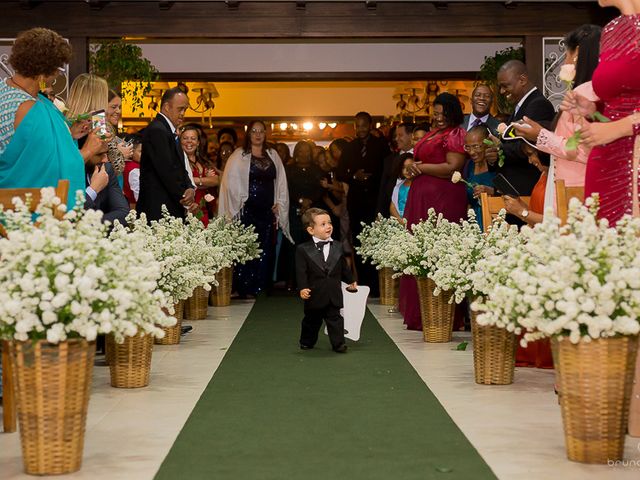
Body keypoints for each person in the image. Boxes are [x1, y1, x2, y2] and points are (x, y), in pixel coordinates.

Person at [562, 0, 640, 437]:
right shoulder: (611, 32)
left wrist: (621, 127)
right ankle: (617, 400)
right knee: (609, 272)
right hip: (605, 159)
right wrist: (590, 113)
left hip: (634, 155)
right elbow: (610, 107)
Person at [513, 24, 602, 211]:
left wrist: (541, 136)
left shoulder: (586, 94)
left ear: (577, 54)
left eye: (566, 56)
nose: (563, 63)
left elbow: (584, 151)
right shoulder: (590, 92)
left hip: (577, 187)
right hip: (572, 182)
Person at [400, 93, 467, 331]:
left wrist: (420, 167)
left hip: (444, 199)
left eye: (442, 114)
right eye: (435, 113)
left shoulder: (456, 134)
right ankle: (423, 312)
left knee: (440, 252)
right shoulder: (435, 133)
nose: (438, 118)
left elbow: (453, 167)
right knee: (421, 251)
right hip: (423, 197)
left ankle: (444, 315)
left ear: (452, 113)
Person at [0, 27, 84, 206]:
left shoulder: (4, 90)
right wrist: (89, 150)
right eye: (57, 69)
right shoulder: (30, 109)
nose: (57, 75)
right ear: (42, 72)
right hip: (28, 211)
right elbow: (50, 168)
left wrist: (70, 134)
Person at [218, 120, 292, 297]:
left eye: (261, 131)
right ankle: (243, 288)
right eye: (254, 131)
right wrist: (239, 201)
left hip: (267, 210)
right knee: (246, 248)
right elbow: (229, 183)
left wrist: (278, 202)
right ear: (248, 134)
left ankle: (260, 286)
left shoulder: (273, 154)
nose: (258, 135)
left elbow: (281, 181)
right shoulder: (239, 155)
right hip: (246, 210)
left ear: (265, 134)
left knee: (265, 248)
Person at [338, 111, 391, 296]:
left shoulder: (381, 146)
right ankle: (363, 283)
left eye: (363, 125)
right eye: (357, 125)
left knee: (376, 244)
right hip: (356, 202)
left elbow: (388, 171)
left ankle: (377, 286)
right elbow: (340, 173)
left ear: (370, 125)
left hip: (376, 201)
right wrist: (354, 176)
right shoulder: (349, 147)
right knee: (359, 244)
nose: (360, 129)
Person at [296, 208, 357, 353]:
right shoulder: (303, 249)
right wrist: (303, 287)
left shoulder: (338, 246)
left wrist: (350, 280)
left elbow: (343, 267)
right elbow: (301, 271)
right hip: (315, 293)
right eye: (323, 224)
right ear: (311, 230)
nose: (328, 226)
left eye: (329, 222)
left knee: (335, 319)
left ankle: (339, 344)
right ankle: (306, 341)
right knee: (311, 320)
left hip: (333, 292)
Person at [493, 60, 556, 197]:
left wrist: (498, 148)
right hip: (515, 189)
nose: (502, 91)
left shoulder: (538, 104)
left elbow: (528, 146)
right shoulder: (520, 106)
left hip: (527, 189)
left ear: (522, 80)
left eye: (505, 86)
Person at [136, 87, 196, 221]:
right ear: (167, 107)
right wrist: (185, 195)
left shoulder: (167, 130)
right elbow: (167, 170)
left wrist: (190, 187)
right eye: (180, 109)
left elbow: (180, 166)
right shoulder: (158, 130)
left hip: (168, 207)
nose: (183, 113)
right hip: (158, 210)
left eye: (185, 110)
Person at [180, 123, 219, 226]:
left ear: (198, 143)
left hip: (203, 209)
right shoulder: (177, 162)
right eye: (185, 138)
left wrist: (193, 181)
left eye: (193, 138)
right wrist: (205, 181)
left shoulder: (203, 161)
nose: (189, 141)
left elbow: (216, 180)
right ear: (180, 141)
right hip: (187, 209)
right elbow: (179, 182)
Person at [503, 143, 549, 227]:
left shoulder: (558, 177)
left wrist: (520, 211)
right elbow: (535, 214)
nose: (529, 161)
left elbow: (553, 222)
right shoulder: (543, 174)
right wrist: (518, 205)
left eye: (530, 154)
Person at [84, 141, 130, 226]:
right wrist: (93, 190)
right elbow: (73, 214)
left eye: (106, 153)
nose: (105, 159)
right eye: (99, 154)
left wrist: (91, 224)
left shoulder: (106, 169)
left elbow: (123, 213)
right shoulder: (67, 172)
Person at [377, 122, 414, 216]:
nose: (396, 139)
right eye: (395, 135)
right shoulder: (389, 160)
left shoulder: (420, 158)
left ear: (411, 136)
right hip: (391, 214)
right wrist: (379, 213)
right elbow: (383, 189)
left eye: (400, 135)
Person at [464, 126, 497, 227]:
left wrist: (490, 191)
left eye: (476, 146)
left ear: (488, 144)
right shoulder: (469, 166)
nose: (471, 152)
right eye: (467, 147)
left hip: (496, 220)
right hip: (474, 221)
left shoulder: (497, 164)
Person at [389, 152, 414, 221]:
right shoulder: (398, 187)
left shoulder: (419, 186)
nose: (407, 170)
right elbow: (393, 207)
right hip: (400, 221)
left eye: (410, 167)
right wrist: (400, 220)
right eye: (403, 168)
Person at [122, 134, 142, 207]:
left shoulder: (123, 164)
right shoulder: (135, 170)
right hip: (133, 208)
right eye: (141, 151)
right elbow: (139, 197)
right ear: (131, 151)